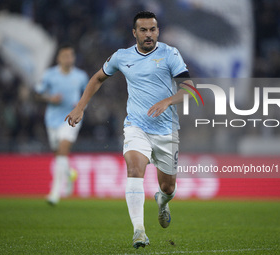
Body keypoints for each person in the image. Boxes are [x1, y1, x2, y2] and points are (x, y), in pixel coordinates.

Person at [65, 11, 191, 248]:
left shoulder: (170, 54)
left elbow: (190, 89)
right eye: (143, 30)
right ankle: (139, 232)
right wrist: (80, 107)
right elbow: (98, 78)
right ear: (134, 33)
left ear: (158, 31)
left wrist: (168, 101)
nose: (148, 34)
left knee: (168, 187)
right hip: (136, 126)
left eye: (152, 29)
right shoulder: (122, 57)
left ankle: (162, 203)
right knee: (134, 169)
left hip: (167, 131)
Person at [35, 44, 89, 205]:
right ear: (59, 58)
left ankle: (54, 192)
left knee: (63, 150)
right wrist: (50, 99)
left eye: (71, 56)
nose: (68, 59)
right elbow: (37, 94)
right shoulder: (49, 75)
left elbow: (87, 95)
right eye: (65, 56)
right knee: (58, 154)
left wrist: (80, 106)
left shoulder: (80, 76)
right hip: (52, 119)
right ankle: (69, 174)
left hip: (72, 118)